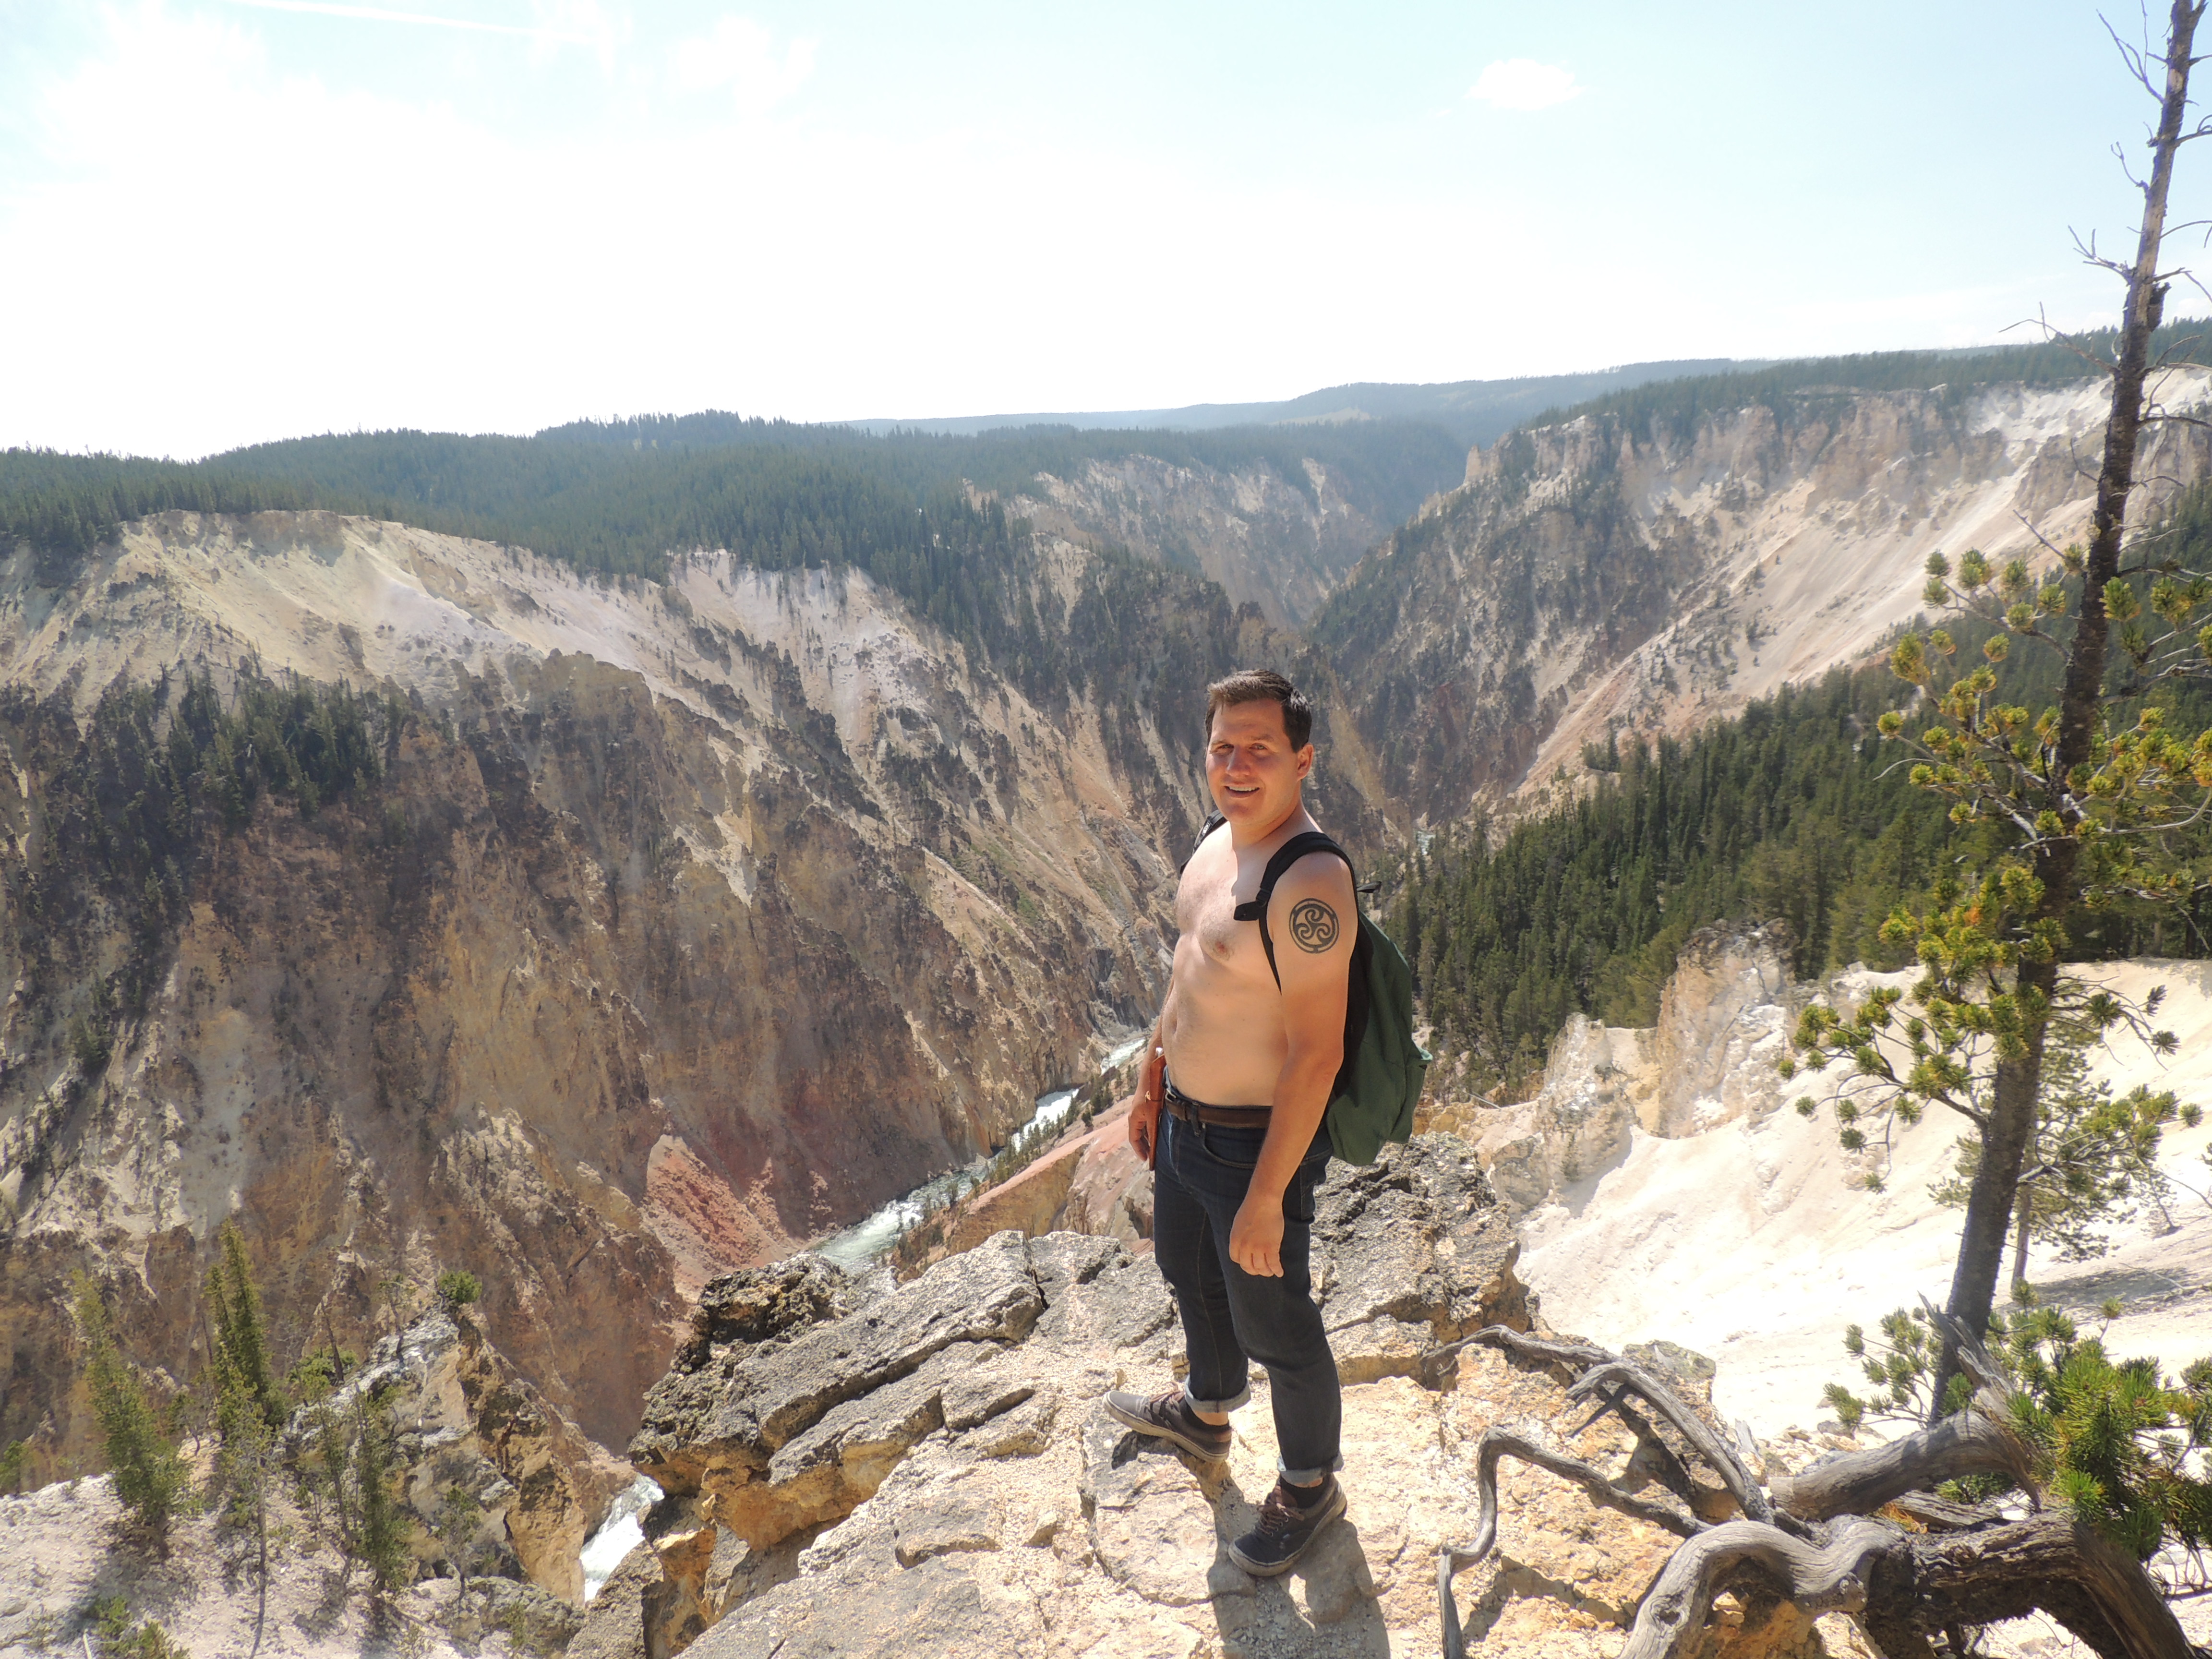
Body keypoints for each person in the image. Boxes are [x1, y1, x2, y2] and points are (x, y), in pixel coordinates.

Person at [1104, 667, 1356, 1576]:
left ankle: (1309, 1485)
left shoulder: (1310, 881)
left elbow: (1317, 1055)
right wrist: (1151, 1077)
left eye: (1260, 749)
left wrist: (1266, 1196)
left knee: (1275, 1320)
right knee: (1187, 1271)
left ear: (1302, 760)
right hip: (1183, 1120)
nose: (1237, 766)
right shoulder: (1217, 843)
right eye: (1222, 748)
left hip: (1254, 1142)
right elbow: (1190, 975)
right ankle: (1207, 1412)